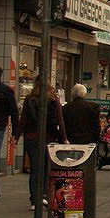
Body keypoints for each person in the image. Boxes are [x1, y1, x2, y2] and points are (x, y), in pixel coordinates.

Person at [17, 79, 67, 209]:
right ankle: (44, 195)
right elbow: (60, 120)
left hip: (32, 138)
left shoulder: (30, 99)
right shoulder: (54, 100)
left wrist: (16, 136)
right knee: (46, 168)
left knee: (35, 168)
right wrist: (64, 138)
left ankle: (34, 199)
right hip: (48, 138)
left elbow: (24, 119)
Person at [0, 61, 19, 199]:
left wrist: (16, 131)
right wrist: (15, 132)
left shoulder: (5, 91)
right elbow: (14, 112)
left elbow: (14, 112)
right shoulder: (6, 91)